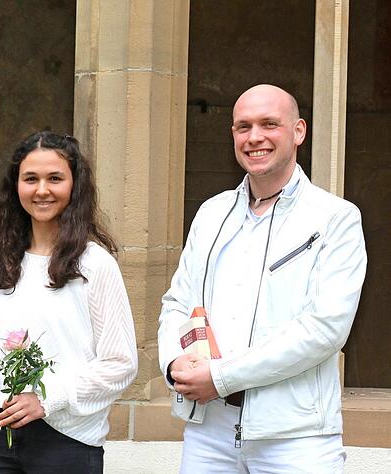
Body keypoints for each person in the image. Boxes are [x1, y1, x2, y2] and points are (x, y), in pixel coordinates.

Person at [157, 84, 367, 473]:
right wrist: (173, 363)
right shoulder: (211, 213)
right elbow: (177, 303)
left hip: (296, 436)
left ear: (298, 131)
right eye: (243, 126)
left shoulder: (335, 218)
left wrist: (220, 377)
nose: (255, 137)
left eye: (269, 124)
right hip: (209, 431)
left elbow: (324, 329)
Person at [0, 131, 138, 473]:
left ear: (75, 186)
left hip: (66, 438)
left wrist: (47, 399)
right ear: (16, 186)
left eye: (55, 178)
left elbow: (120, 364)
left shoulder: (95, 263)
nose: (42, 190)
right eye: (31, 179)